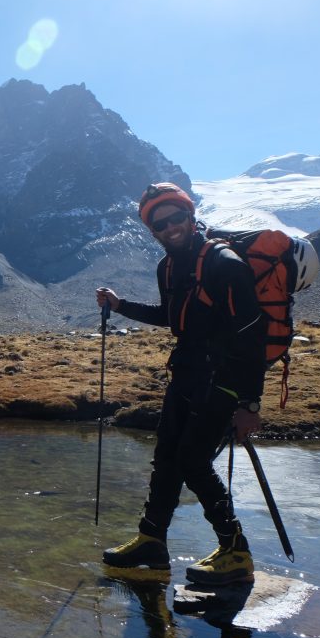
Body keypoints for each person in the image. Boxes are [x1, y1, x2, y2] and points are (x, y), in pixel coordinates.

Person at [96, 182, 266, 585]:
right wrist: (120, 307)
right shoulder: (168, 267)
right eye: (160, 223)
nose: (169, 227)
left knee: (191, 460)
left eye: (176, 218)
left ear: (189, 216)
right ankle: (151, 540)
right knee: (167, 457)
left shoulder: (224, 263)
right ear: (152, 230)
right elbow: (172, 317)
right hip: (186, 374)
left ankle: (235, 550)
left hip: (223, 381)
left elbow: (253, 336)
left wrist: (250, 405)